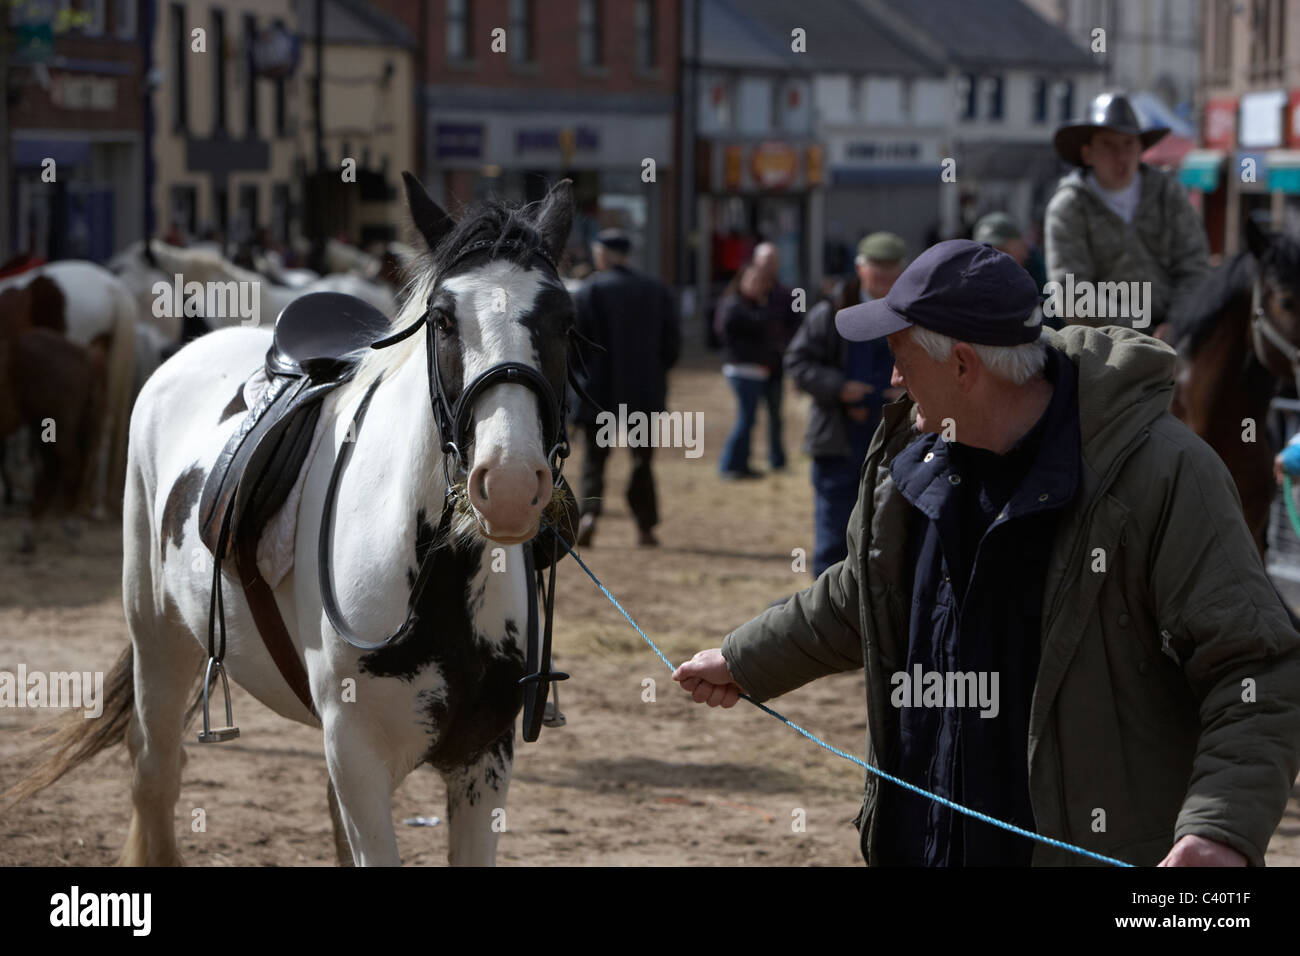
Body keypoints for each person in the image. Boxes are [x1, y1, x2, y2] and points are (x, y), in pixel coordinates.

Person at [673, 239, 1300, 867]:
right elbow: (857, 598)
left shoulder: (1163, 476)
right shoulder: (909, 466)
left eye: (901, 357)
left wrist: (1219, 831)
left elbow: (1258, 668)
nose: (892, 378)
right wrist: (740, 658)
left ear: (965, 366)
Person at [785, 232, 906, 577]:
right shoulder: (830, 313)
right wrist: (839, 388)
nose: (884, 276)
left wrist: (910, 391)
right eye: (876, 267)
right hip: (838, 441)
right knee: (834, 538)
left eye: (892, 268)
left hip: (893, 443)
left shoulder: (912, 314)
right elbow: (797, 362)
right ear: (859, 268)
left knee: (887, 539)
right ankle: (827, 621)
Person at [1044, 91, 1210, 337]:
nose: (1120, 157)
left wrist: (1177, 323)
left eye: (1128, 144)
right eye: (1108, 145)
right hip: (1104, 343)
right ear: (1087, 154)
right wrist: (1139, 331)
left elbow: (1194, 265)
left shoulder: (1167, 193)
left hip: (1177, 331)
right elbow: (1072, 293)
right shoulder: (1069, 206)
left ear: (1140, 148)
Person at [571, 229, 680, 548]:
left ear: (603, 254)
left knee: (594, 459)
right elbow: (671, 346)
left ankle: (589, 515)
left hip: (598, 391)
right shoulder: (655, 290)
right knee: (642, 461)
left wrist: (581, 380)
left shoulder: (589, 291)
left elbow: (574, 347)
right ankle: (645, 526)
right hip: (643, 393)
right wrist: (654, 375)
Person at [753, 242, 799, 473]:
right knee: (747, 417)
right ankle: (743, 460)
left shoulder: (789, 294)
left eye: (773, 261)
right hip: (750, 365)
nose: (769, 266)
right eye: (765, 261)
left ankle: (777, 459)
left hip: (775, 364)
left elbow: (799, 323)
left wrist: (786, 348)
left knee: (775, 416)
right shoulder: (745, 292)